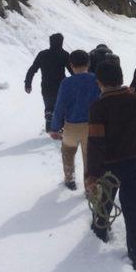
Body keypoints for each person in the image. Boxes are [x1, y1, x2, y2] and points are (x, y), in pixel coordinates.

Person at [85, 61, 136, 272]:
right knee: (135, 213)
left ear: (99, 83)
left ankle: (99, 231)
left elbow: (96, 144)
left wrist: (92, 174)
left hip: (109, 168)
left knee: (104, 201)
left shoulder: (98, 107)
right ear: (121, 78)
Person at [48, 50, 100, 190]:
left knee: (68, 152)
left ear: (71, 65)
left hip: (71, 127)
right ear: (88, 63)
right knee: (89, 160)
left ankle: (69, 179)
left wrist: (54, 128)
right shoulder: (96, 80)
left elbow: (59, 107)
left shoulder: (66, 83)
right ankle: (90, 188)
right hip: (91, 127)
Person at [25, 33, 73, 132]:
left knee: (49, 106)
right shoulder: (64, 55)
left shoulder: (43, 54)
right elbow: (72, 71)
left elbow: (32, 69)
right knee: (61, 107)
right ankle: (60, 126)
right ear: (61, 42)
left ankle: (49, 119)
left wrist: (28, 83)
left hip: (46, 87)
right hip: (61, 87)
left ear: (50, 42)